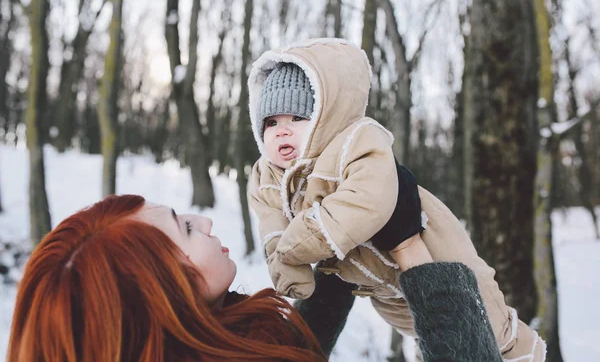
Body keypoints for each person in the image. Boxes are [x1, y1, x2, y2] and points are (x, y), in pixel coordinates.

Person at [246, 38, 546, 361]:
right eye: (271, 122)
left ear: (325, 117)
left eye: (297, 119)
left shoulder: (356, 143)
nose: (282, 131)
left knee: (488, 328)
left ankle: (522, 351)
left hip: (436, 257)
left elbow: (368, 198)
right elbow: (272, 225)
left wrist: (303, 242)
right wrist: (287, 267)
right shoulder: (268, 175)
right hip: (383, 287)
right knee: (427, 335)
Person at [8, 194, 506, 362]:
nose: (203, 222)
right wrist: (407, 246)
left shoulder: (210, 339)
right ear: (160, 296)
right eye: (184, 228)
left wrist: (332, 273)